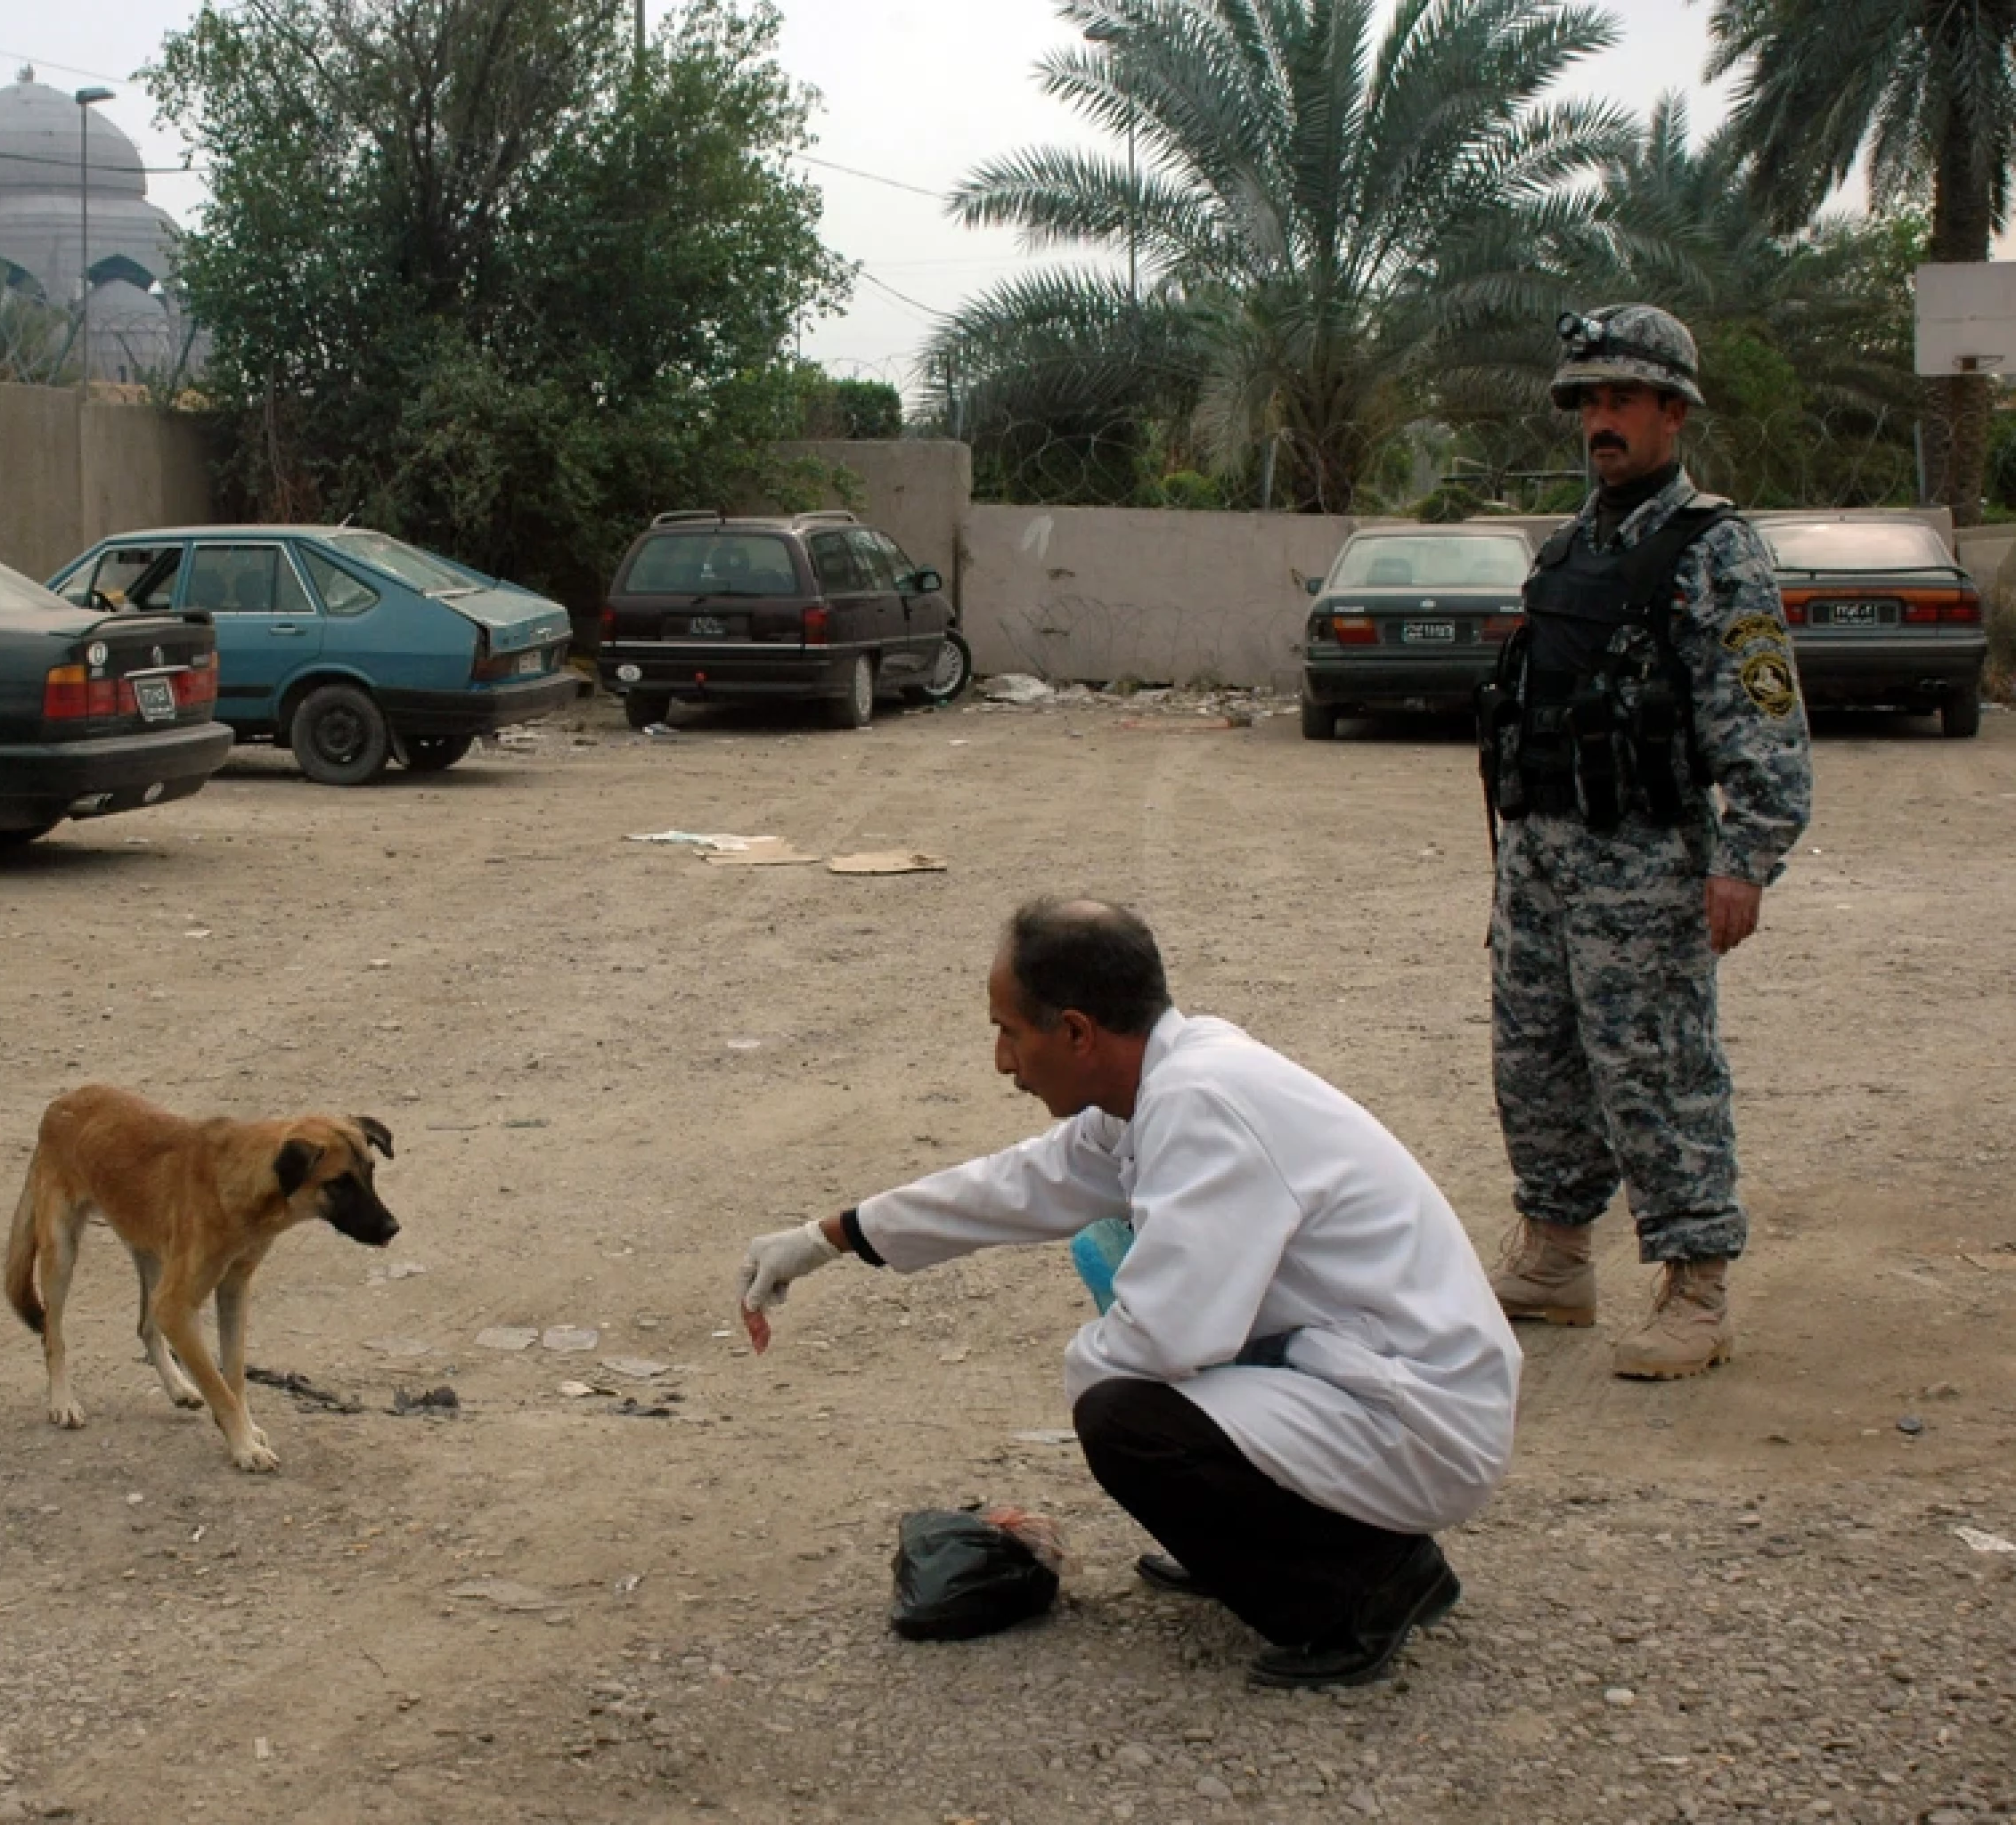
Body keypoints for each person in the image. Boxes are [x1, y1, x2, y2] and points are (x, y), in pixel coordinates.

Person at [736, 900, 1521, 1689]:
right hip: (1361, 1372)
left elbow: (1170, 1340)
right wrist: (828, 1235)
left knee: (1126, 1416)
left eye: (1011, 1031)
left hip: (1420, 1413)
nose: (1004, 1061)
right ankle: (1295, 1542)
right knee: (1117, 1295)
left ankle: (1366, 1588)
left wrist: (1093, 1370)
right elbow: (1018, 1184)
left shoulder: (1200, 1104)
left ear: (1076, 1031)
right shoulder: (1169, 1077)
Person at [1475, 305, 1812, 1379]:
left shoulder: (1716, 554)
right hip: (1541, 858)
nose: (1601, 422)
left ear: (1674, 411)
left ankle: (1697, 1285)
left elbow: (1763, 719)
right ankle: (1557, 1256)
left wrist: (1745, 858)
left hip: (1647, 863)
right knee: (1536, 1062)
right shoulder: (1569, 547)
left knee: (1658, 1072)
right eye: (1588, 403)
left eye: (1622, 400)